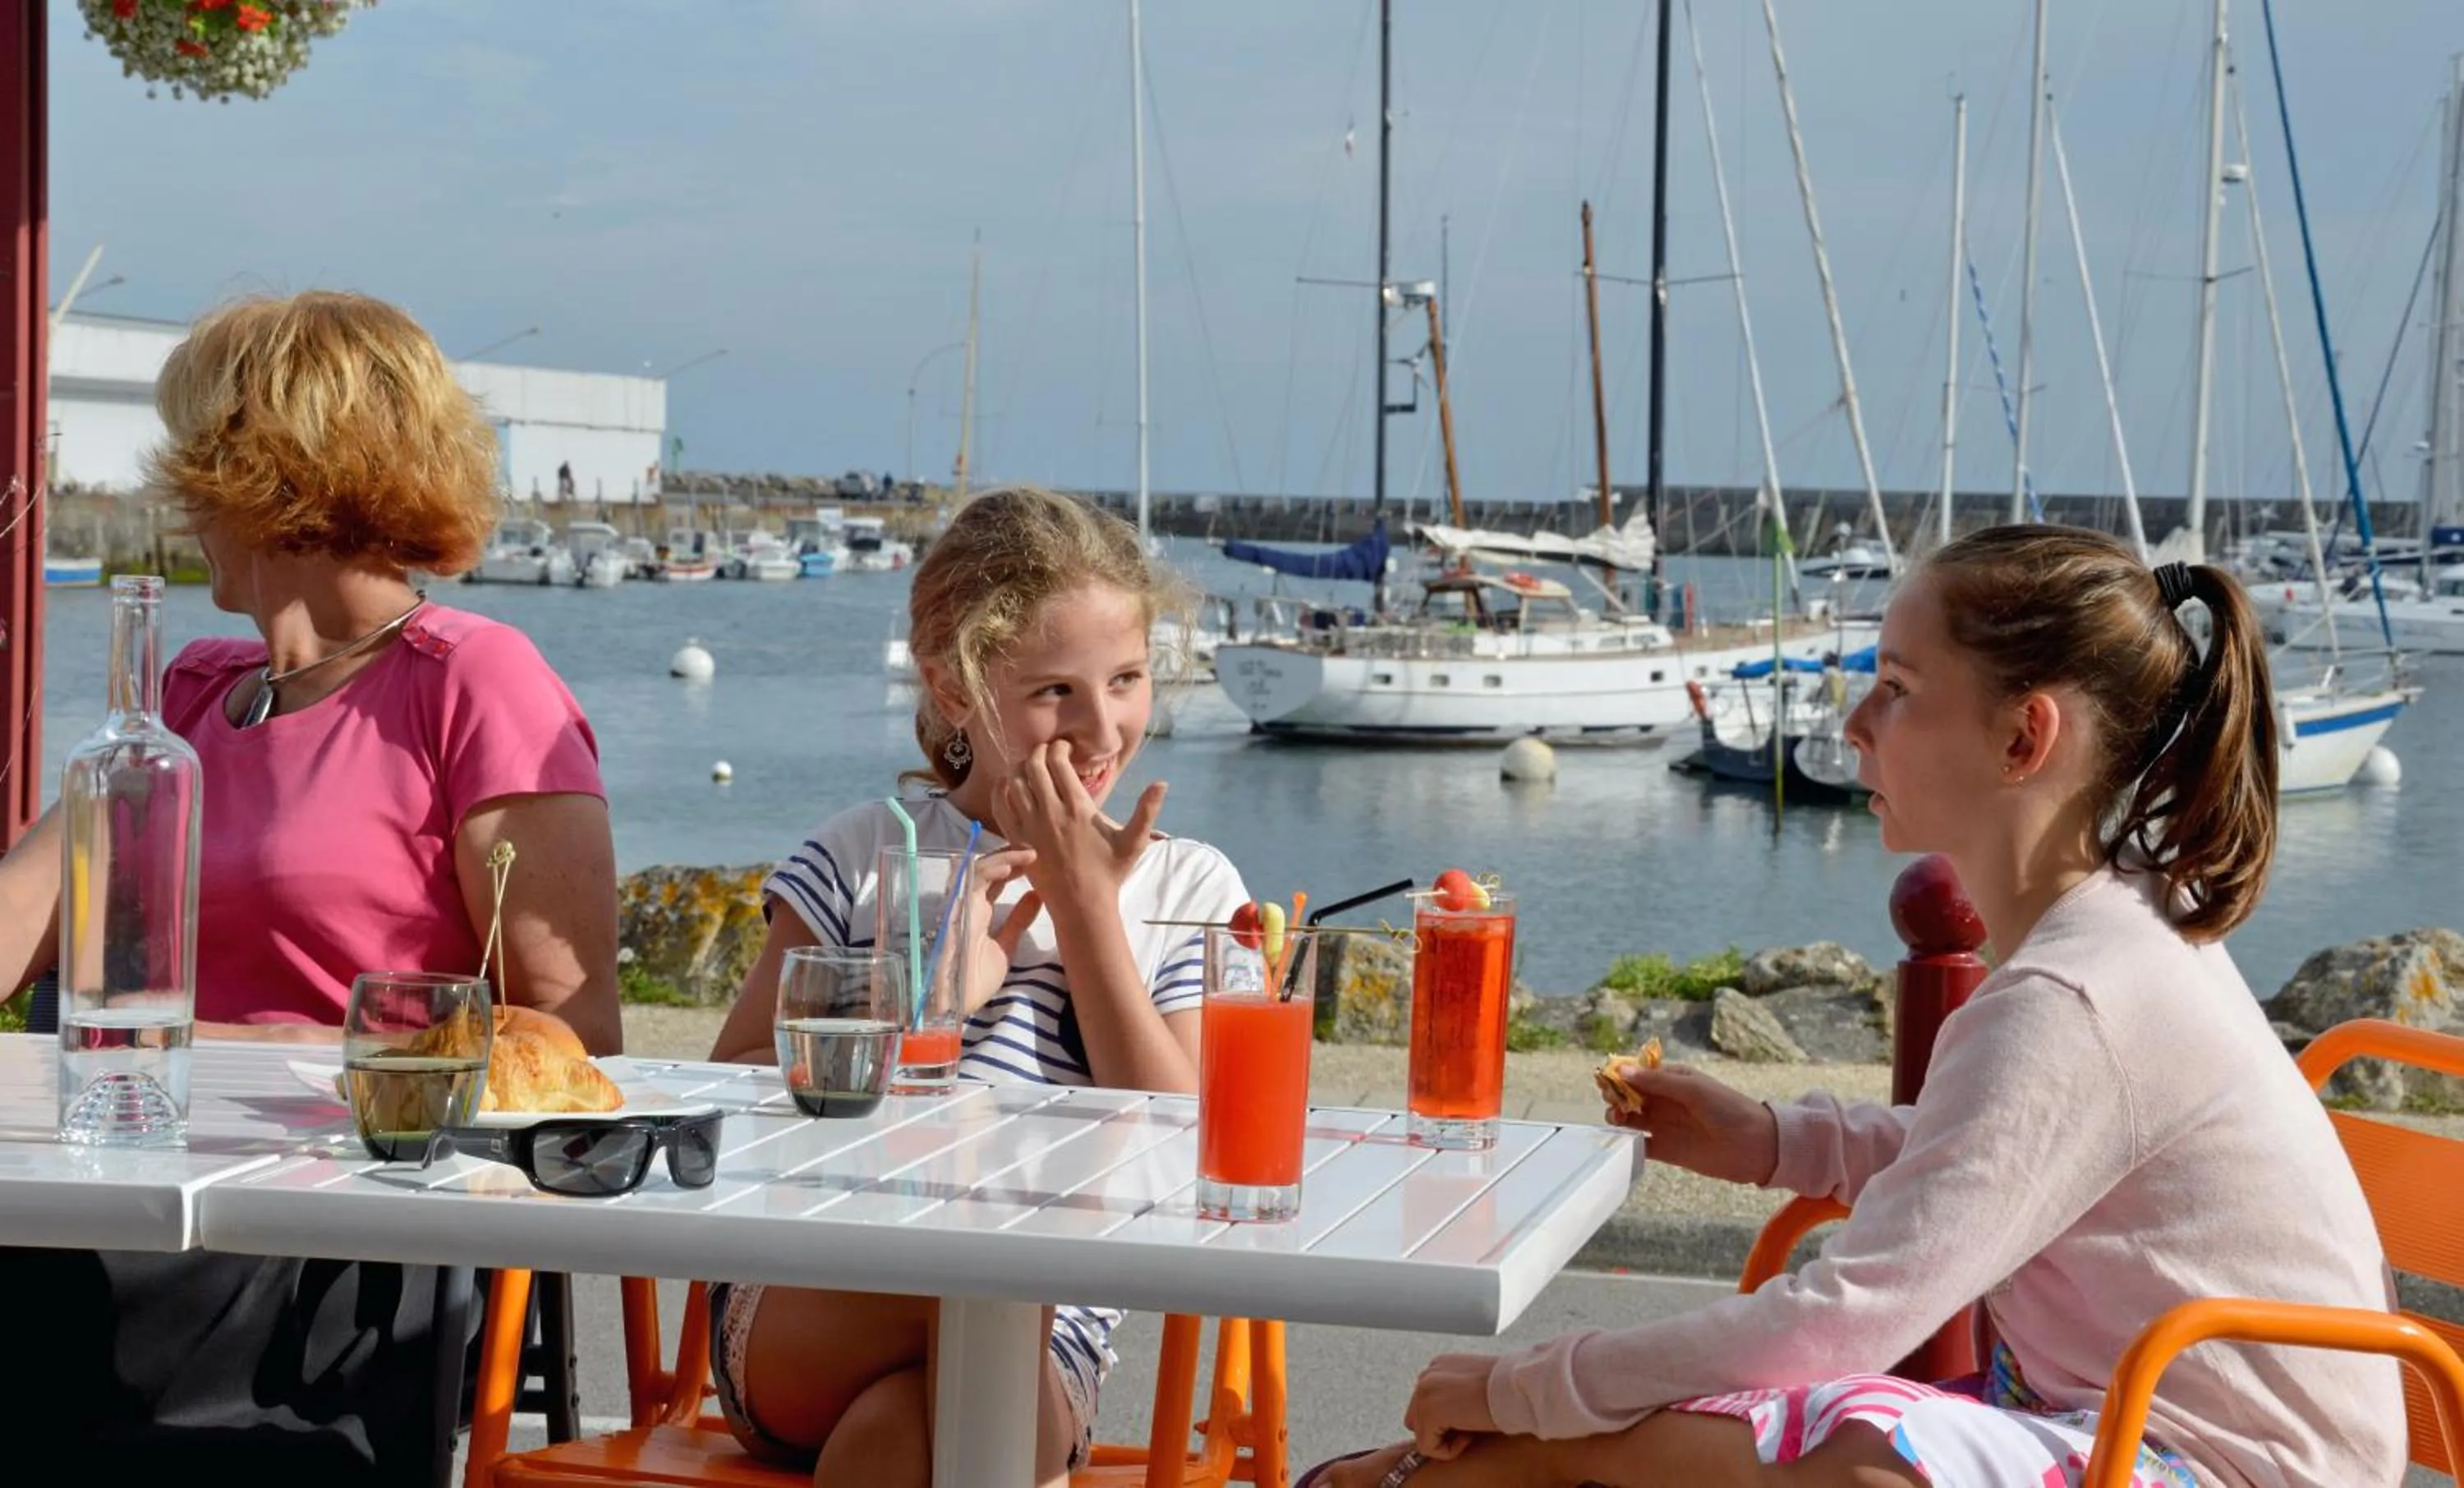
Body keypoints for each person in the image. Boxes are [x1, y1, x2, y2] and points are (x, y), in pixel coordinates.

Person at [1305, 526, 2404, 1488]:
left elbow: (1839, 1325)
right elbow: (1991, 1165)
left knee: (1848, 1446)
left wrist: (1532, 1394)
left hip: (2217, 1468)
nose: (1854, 721)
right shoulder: (2118, 934)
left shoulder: (2074, 1000)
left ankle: (1494, 1467)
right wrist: (1775, 1142)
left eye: (1897, 687)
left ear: (2023, 740)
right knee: (1772, 1426)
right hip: (2124, 1431)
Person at [0, 290, 622, 1481]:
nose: (176, 495)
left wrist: (263, 1052)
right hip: (120, 1177)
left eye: (195, 458)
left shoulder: (472, 682)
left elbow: (574, 1034)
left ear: (260, 475)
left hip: (328, 1225)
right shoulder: (189, 693)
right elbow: (22, 915)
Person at [705, 485, 1246, 1488]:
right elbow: (732, 1084)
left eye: (1127, 680)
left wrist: (1085, 911)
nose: (1101, 729)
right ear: (954, 691)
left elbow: (1190, 1149)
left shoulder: (1188, 887)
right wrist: (915, 1006)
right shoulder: (866, 854)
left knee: (906, 1437)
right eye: (1055, 692)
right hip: (820, 1289)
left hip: (1049, 1333)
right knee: (979, 1307)